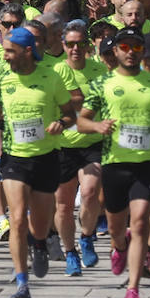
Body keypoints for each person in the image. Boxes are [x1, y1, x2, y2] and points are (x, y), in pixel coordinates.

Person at [0, 26, 81, 298]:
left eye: (10, 51)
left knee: (39, 224)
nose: (6, 56)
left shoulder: (51, 77)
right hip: (15, 158)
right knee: (18, 218)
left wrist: (62, 123)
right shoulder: (3, 77)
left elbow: (70, 114)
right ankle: (22, 283)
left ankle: (40, 244)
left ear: (26, 51)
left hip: (46, 158)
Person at [77, 27, 150, 298]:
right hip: (115, 163)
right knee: (118, 228)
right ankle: (119, 248)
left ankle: (133, 290)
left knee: (142, 220)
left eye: (136, 47)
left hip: (146, 162)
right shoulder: (103, 84)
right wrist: (97, 126)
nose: (131, 53)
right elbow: (82, 120)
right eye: (125, 47)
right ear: (116, 51)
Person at [52, 20, 106, 277]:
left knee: (91, 191)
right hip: (62, 146)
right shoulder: (55, 72)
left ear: (87, 46)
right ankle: (70, 251)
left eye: (79, 44)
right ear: (63, 46)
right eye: (70, 44)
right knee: (62, 206)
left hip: (91, 143)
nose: (74, 49)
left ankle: (86, 236)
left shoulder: (99, 71)